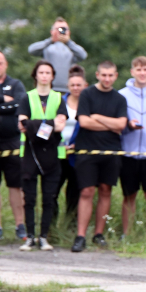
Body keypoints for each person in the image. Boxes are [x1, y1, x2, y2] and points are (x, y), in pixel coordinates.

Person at [71, 61, 128, 252]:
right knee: (87, 191)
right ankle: (80, 236)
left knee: (105, 190)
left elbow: (121, 125)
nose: (107, 78)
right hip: (87, 150)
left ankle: (99, 234)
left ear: (116, 76)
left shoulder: (119, 99)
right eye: (104, 75)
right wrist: (109, 125)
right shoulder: (87, 94)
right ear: (97, 75)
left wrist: (98, 117)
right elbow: (85, 122)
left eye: (110, 75)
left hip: (111, 151)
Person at [17, 61, 67, 251]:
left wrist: (34, 126)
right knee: (29, 197)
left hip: (52, 154)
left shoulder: (57, 98)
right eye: (41, 72)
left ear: (52, 76)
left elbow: (61, 124)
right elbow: (21, 124)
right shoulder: (27, 97)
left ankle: (44, 236)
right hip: (29, 153)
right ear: (35, 75)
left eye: (48, 72)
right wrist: (48, 125)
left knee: (49, 197)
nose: (44, 76)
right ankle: (29, 236)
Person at [0, 51, 26, 242]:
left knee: (15, 185)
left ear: (6, 64)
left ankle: (20, 225)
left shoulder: (16, 84)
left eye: (0, 63)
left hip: (12, 142)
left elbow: (20, 104)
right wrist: (3, 101)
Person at [119, 56, 146, 238]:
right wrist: (128, 125)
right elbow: (118, 123)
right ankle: (126, 235)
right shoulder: (122, 95)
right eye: (138, 69)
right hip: (129, 153)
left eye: (145, 69)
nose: (142, 73)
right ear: (132, 72)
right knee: (129, 196)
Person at [55, 66, 88, 222]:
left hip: (78, 154)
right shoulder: (59, 102)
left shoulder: (88, 103)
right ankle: (51, 226)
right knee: (52, 191)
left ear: (85, 85)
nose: (76, 88)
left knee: (74, 193)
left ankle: (71, 226)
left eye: (79, 85)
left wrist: (78, 144)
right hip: (58, 153)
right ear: (68, 86)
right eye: (73, 85)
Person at [27, 17, 88, 93]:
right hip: (49, 89)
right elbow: (31, 50)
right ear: (52, 31)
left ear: (69, 32)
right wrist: (51, 40)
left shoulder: (72, 49)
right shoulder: (47, 47)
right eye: (58, 29)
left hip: (68, 90)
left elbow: (83, 55)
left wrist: (68, 42)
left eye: (64, 29)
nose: (61, 31)